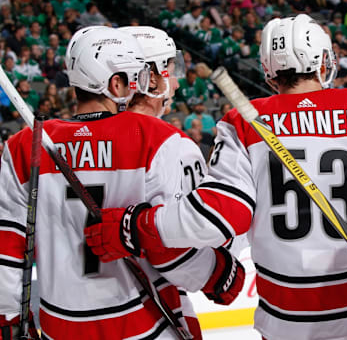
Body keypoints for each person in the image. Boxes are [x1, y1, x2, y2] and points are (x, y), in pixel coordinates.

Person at [85, 14, 347, 340]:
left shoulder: (245, 123)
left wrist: (137, 226)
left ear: (268, 69)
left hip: (288, 321)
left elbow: (223, 214)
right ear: (323, 62)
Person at [0, 26, 245, 339]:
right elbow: (170, 249)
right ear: (116, 83)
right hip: (141, 319)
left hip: (59, 324)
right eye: (133, 77)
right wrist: (218, 273)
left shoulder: (24, 144)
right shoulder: (156, 139)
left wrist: (8, 317)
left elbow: (8, 244)